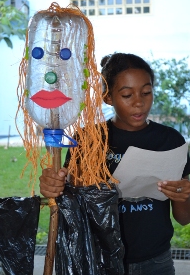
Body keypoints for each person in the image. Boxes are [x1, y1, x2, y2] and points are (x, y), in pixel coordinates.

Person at [40, 53, 190, 275]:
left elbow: (184, 218)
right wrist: (54, 188)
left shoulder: (170, 141)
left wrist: (184, 195)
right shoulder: (89, 139)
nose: (139, 102)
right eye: (127, 94)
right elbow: (71, 205)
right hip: (99, 257)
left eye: (146, 92)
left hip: (155, 260)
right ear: (108, 97)